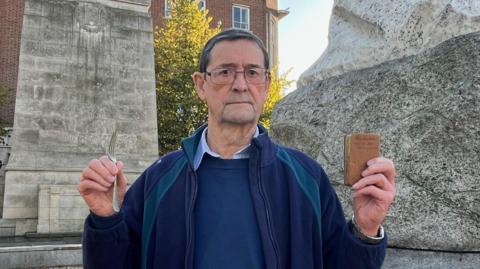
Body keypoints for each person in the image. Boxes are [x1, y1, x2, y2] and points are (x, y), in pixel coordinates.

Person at [78, 29, 396, 269]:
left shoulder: (307, 178)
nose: (241, 84)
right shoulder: (157, 180)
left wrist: (366, 230)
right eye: (226, 72)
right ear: (201, 85)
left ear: (267, 84)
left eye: (253, 72)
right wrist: (105, 218)